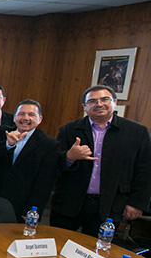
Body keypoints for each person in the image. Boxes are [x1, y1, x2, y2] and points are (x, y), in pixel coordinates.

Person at [50, 85, 151, 236]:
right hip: (68, 203)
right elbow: (52, 164)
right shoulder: (68, 130)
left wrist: (136, 203)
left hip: (110, 205)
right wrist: (69, 157)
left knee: (97, 253)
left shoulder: (137, 132)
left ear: (115, 102)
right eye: (92, 101)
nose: (99, 104)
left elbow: (145, 170)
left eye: (104, 99)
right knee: (57, 244)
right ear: (84, 107)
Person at [0, 99, 59, 223]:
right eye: (21, 114)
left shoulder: (49, 144)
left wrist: (32, 210)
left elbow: (45, 183)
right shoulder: (4, 131)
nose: (25, 118)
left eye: (31, 115)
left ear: (40, 119)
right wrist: (8, 144)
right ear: (14, 117)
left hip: (22, 206)